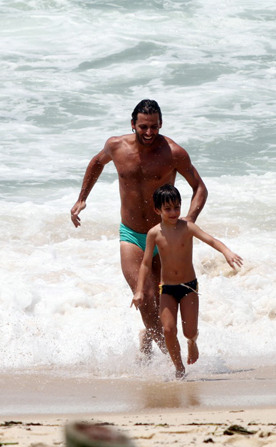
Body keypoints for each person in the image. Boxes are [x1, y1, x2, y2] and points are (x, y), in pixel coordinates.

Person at [70, 99, 208, 356]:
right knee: (144, 296)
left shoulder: (174, 153)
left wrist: (189, 220)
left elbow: (199, 188)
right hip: (131, 234)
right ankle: (170, 358)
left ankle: (150, 337)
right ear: (132, 124)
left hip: (164, 236)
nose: (148, 132)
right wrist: (82, 198)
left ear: (161, 124)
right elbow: (97, 163)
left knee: (163, 302)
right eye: (143, 126)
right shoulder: (116, 146)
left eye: (154, 127)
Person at [132, 184, 242, 379]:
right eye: (168, 209)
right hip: (166, 288)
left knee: (189, 331)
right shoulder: (154, 234)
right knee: (168, 329)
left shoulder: (187, 227)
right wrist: (139, 290)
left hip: (188, 287)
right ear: (157, 210)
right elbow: (146, 264)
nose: (173, 212)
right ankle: (179, 368)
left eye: (177, 207)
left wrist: (227, 252)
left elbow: (211, 240)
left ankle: (192, 343)